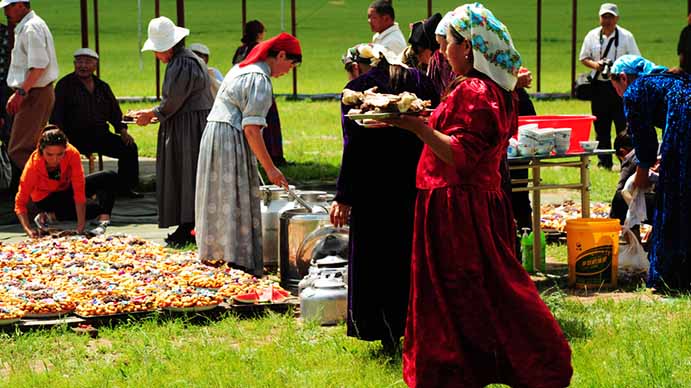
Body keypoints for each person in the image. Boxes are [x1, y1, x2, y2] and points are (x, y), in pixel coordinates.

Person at [380, 4, 572, 386]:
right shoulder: (497, 87)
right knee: (485, 288)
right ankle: (483, 364)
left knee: (459, 291)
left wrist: (416, 128)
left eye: (448, 43)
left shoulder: (472, 89)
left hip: (456, 205)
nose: (443, 52)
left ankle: (511, 361)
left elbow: (460, 154)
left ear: (468, 47)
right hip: (475, 201)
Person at [330, 43, 438, 354]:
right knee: (413, 255)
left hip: (373, 188)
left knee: (376, 259)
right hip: (416, 180)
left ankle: (383, 329)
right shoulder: (422, 82)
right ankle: (420, 325)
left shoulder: (355, 90)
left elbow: (354, 146)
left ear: (357, 66)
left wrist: (343, 196)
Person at [195, 32, 300, 276]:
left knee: (220, 198)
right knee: (234, 198)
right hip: (229, 138)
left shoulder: (241, 69)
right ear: (281, 55)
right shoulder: (259, 78)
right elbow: (252, 129)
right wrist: (271, 169)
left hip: (215, 134)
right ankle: (236, 262)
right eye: (290, 64)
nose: (288, 70)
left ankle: (217, 258)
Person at [610, 50, 691, 290]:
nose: (617, 93)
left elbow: (644, 140)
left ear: (623, 78)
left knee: (675, 200)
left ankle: (674, 276)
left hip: (683, 140)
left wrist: (642, 174)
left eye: (614, 85)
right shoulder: (671, 79)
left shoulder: (636, 91)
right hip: (681, 138)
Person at [132, 16, 214, 247]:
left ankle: (189, 225)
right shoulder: (185, 60)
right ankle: (189, 223)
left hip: (188, 125)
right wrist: (153, 112)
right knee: (186, 171)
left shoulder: (182, 63)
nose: (156, 57)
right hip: (186, 121)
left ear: (167, 47)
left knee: (186, 171)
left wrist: (152, 114)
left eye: (157, 51)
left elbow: (173, 101)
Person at [50, 48, 141, 198]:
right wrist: (61, 137)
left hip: (100, 135)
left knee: (129, 148)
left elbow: (115, 113)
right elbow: (56, 114)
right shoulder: (64, 85)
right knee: (57, 154)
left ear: (95, 66)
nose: (83, 66)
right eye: (79, 62)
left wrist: (123, 130)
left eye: (87, 62)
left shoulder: (102, 87)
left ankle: (125, 188)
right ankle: (64, 192)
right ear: (74, 64)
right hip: (73, 137)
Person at [14, 126, 116, 238]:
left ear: (65, 149)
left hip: (67, 189)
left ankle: (104, 218)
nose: (55, 159)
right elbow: (20, 202)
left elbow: (79, 188)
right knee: (93, 210)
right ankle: (49, 216)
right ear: (41, 150)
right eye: (49, 154)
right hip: (47, 198)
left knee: (109, 176)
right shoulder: (32, 167)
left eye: (60, 154)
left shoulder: (72, 153)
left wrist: (80, 227)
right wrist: (28, 229)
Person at [2, 0, 58, 186]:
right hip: (35, 91)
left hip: (35, 92)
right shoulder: (28, 26)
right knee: (31, 148)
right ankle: (43, 197)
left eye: (8, 7)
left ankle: (47, 191)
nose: (6, 12)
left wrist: (20, 93)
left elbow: (39, 66)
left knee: (19, 149)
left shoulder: (31, 28)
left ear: (20, 5)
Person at [579, 2, 640, 169]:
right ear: (599, 18)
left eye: (610, 17)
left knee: (623, 125)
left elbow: (636, 60)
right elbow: (583, 58)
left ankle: (626, 160)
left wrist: (620, 69)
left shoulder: (626, 36)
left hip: (620, 86)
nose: (607, 20)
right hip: (599, 85)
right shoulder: (591, 35)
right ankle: (604, 161)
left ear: (617, 19)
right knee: (601, 126)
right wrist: (597, 65)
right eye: (604, 17)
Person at [232, 20, 289, 167]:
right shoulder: (258, 49)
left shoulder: (240, 50)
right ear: (259, 33)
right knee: (266, 124)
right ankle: (272, 156)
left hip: (240, 93)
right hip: (256, 89)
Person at [608, 132, 656, 227]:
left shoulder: (630, 159)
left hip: (655, 205)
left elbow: (620, 190)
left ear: (622, 151)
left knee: (619, 199)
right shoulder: (651, 150)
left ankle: (631, 235)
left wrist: (611, 218)